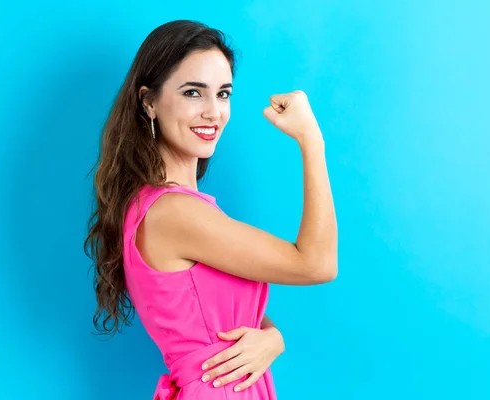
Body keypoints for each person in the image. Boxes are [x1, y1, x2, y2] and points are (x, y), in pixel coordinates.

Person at [84, 20, 337, 399]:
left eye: (223, 93)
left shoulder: (158, 206)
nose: (213, 111)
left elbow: (211, 316)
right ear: (149, 101)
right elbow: (317, 264)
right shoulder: (175, 213)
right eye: (192, 93)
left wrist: (272, 337)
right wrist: (311, 141)